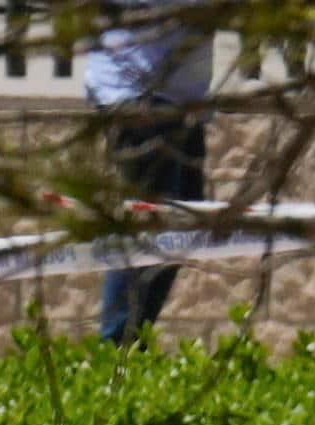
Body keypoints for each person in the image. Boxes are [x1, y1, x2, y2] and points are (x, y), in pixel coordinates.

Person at [84, 0, 215, 343]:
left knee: (181, 229)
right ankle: (115, 348)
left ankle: (130, 341)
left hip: (178, 102)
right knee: (149, 228)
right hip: (142, 97)